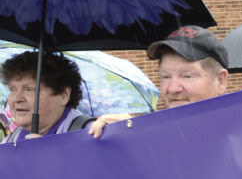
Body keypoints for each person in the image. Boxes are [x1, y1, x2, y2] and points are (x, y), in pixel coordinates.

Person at [89, 25, 229, 137]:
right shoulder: (155, 139)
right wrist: (130, 135)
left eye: (187, 76)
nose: (173, 88)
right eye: (166, 77)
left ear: (220, 81)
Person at [1, 51, 92, 144]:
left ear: (63, 95)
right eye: (12, 90)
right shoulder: (10, 140)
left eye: (29, 89)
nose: (17, 98)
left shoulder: (93, 135)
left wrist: (49, 155)